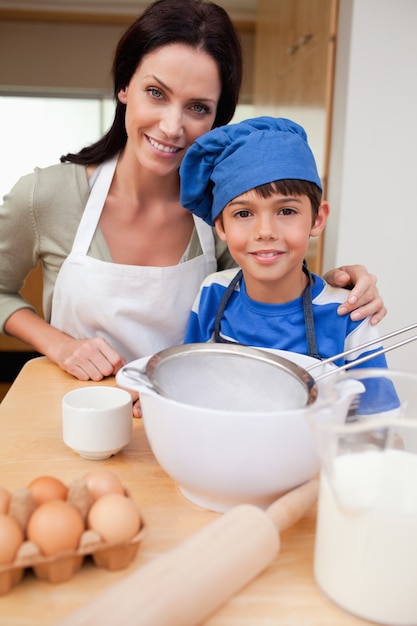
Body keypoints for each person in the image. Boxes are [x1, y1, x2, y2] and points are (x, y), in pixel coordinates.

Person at [0, 0, 385, 418]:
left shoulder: (225, 210)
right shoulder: (46, 195)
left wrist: (337, 286)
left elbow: (267, 285)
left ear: (218, 118)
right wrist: (59, 344)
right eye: (156, 93)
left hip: (185, 428)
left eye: (198, 107)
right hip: (79, 418)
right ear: (124, 86)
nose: (172, 126)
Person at [180, 116, 388, 373]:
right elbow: (186, 381)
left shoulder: (349, 316)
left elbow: (375, 413)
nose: (265, 232)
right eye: (244, 214)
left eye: (286, 211)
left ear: (317, 219)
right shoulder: (212, 293)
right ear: (221, 226)